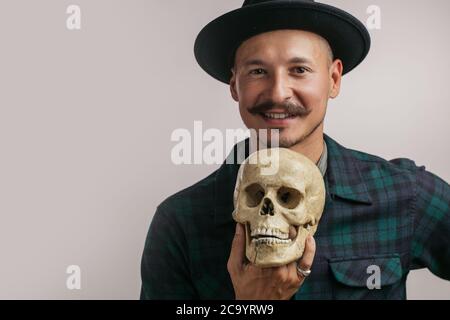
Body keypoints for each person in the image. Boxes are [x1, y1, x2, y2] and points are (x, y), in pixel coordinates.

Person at [140, 0, 450, 300]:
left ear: (333, 79)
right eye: (258, 72)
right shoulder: (179, 224)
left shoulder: (405, 195)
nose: (278, 92)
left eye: (299, 70)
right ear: (235, 85)